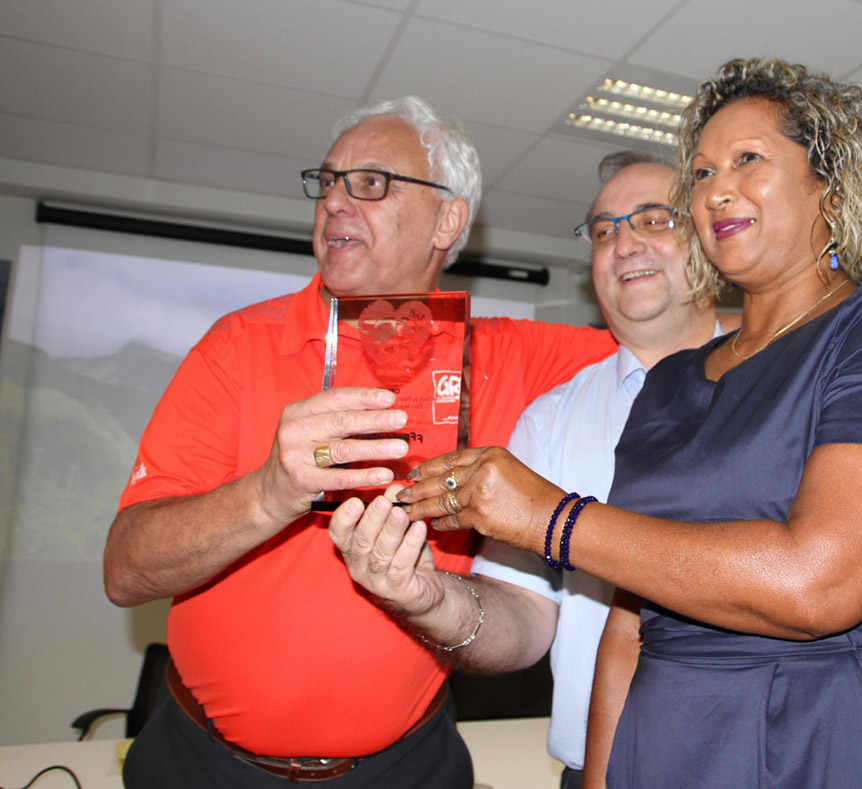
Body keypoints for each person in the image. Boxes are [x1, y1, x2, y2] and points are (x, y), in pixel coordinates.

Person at [370, 58, 862, 788]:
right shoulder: (671, 387)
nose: (716, 188)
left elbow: (820, 582)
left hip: (857, 736)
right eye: (700, 173)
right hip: (677, 750)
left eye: (748, 160)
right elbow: (629, 625)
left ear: (831, 183)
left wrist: (547, 516)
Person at [104, 96, 616, 788]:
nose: (336, 202)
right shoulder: (237, 346)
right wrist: (269, 491)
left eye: (371, 183)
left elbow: (680, 344)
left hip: (408, 765)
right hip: (205, 765)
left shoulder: (512, 357)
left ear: (448, 218)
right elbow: (126, 571)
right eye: (329, 181)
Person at [328, 150, 735, 788]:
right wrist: (425, 598)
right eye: (604, 230)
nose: (624, 243)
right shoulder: (549, 420)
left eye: (654, 220)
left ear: (712, 240)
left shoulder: (786, 380)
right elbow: (522, 622)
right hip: (596, 769)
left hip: (774, 759)